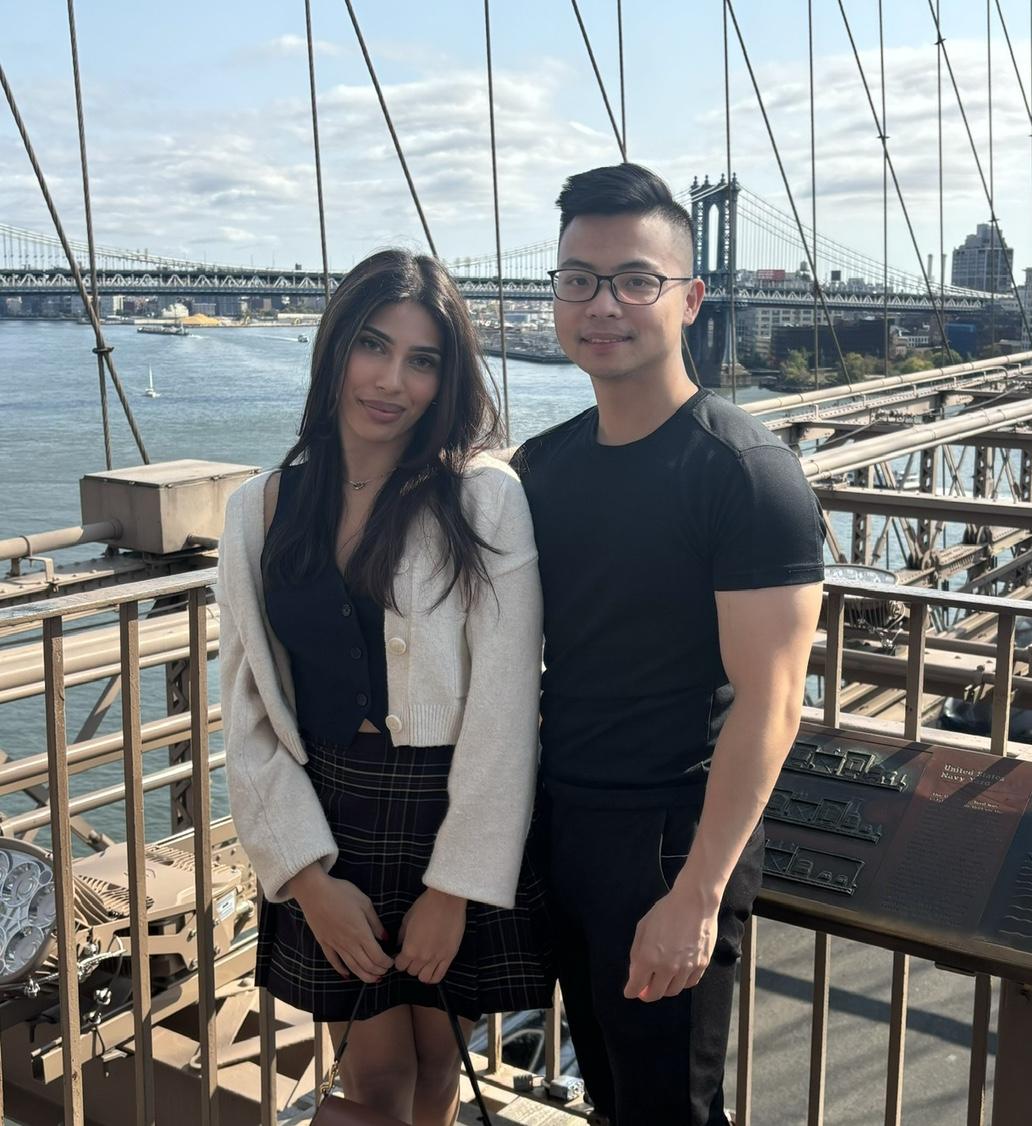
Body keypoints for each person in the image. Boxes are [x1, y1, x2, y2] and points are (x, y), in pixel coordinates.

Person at [515, 164, 825, 1126]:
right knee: (614, 1100)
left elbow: (773, 703)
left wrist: (697, 895)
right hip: (560, 825)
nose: (602, 304)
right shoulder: (541, 467)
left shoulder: (747, 474)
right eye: (578, 279)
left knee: (671, 1111)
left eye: (635, 281)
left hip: (670, 841)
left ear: (690, 299)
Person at [217, 249, 553, 1126]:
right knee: (372, 1079)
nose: (391, 381)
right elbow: (248, 711)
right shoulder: (259, 508)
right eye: (372, 345)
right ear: (334, 348)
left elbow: (506, 705)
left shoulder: (481, 499)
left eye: (422, 359)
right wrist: (306, 878)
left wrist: (456, 886)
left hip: (453, 809)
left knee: (438, 1067)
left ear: (447, 378)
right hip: (333, 820)